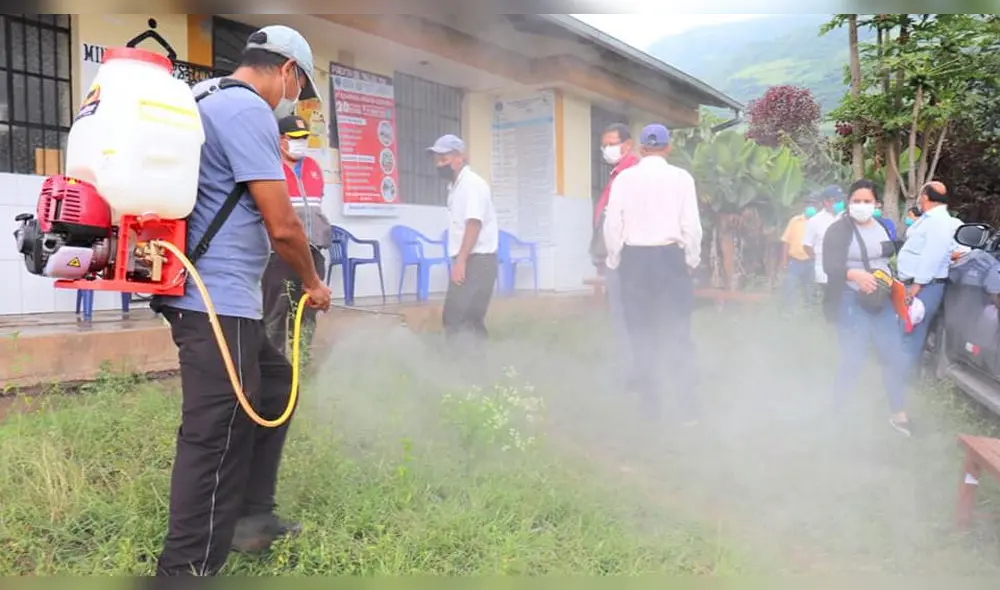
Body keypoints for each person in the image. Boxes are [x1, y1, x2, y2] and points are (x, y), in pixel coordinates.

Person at [150, 25, 333, 577]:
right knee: (217, 429)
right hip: (215, 296)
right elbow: (282, 225)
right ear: (287, 70)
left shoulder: (206, 96)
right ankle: (185, 571)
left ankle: (252, 516)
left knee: (274, 384)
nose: (290, 101)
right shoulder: (249, 108)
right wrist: (313, 283)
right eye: (296, 88)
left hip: (216, 295)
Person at [604, 123, 702, 426]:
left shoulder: (624, 179)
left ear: (641, 148)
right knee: (677, 331)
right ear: (668, 147)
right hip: (670, 259)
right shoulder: (681, 178)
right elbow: (692, 226)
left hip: (634, 260)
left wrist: (615, 258)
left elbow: (612, 225)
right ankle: (686, 408)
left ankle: (650, 408)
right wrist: (691, 260)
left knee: (641, 333)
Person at [821, 179, 910, 436]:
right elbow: (830, 266)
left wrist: (897, 287)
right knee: (853, 357)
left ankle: (898, 412)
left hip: (882, 302)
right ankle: (836, 409)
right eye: (856, 201)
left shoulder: (884, 226)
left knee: (893, 356)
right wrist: (854, 275)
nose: (861, 206)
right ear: (849, 203)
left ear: (876, 204)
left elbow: (887, 259)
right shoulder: (838, 230)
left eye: (867, 201)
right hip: (852, 301)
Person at [261, 114, 332, 358]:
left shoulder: (312, 168)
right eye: (295, 138)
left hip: (312, 254)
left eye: (304, 138)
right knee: (275, 314)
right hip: (278, 255)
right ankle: (275, 368)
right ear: (280, 140)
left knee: (307, 313)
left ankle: (301, 364)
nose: (300, 142)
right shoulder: (270, 170)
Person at [429, 134, 499, 341]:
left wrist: (461, 261)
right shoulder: (455, 186)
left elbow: (474, 223)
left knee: (457, 318)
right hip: (472, 260)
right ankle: (474, 367)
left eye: (444, 159)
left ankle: (462, 366)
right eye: (437, 160)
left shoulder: (473, 184)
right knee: (468, 319)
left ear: (460, 157)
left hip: (477, 261)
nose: (440, 164)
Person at [589, 122, 641, 370]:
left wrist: (612, 256)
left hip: (626, 257)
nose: (607, 149)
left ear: (627, 145)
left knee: (627, 314)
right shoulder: (617, 174)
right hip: (615, 256)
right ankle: (630, 365)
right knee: (621, 313)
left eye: (612, 144)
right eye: (604, 145)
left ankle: (633, 368)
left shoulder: (631, 174)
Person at [896, 181, 963, 372]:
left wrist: (917, 284)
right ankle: (902, 377)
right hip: (920, 284)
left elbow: (933, 254)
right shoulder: (931, 218)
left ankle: (903, 381)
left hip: (925, 286)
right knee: (908, 330)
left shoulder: (938, 220)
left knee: (912, 333)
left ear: (925, 196)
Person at [803, 185, 844, 294]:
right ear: (826, 202)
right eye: (835, 200)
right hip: (823, 272)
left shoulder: (845, 218)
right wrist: (818, 259)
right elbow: (807, 245)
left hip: (844, 270)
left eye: (840, 200)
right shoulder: (815, 221)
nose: (839, 203)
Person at [779, 198, 817, 311]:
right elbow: (786, 241)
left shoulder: (818, 222)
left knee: (809, 288)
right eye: (809, 203)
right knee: (790, 286)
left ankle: (808, 311)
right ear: (805, 206)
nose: (811, 206)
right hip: (794, 261)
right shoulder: (795, 221)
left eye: (814, 204)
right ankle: (789, 311)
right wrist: (784, 260)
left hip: (811, 261)